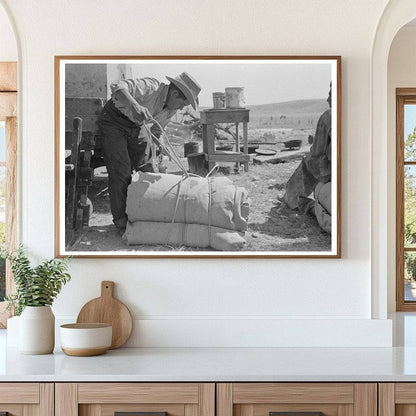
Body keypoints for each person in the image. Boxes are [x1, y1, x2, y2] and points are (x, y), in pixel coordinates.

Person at [98, 72, 201, 233]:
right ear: (174, 94)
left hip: (137, 127)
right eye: (183, 103)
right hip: (114, 121)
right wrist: (135, 105)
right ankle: (121, 221)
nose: (181, 108)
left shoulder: (170, 109)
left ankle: (145, 214)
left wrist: (159, 151)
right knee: (121, 172)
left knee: (149, 171)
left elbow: (156, 131)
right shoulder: (151, 87)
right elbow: (117, 87)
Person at [282, 84, 332, 232]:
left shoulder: (329, 116)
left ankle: (291, 198)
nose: (328, 98)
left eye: (331, 94)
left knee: (309, 160)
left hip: (335, 176)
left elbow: (317, 152)